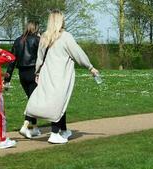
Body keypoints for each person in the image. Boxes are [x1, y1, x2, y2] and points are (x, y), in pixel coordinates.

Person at [25, 10, 100, 144]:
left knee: (53, 100)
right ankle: (54, 134)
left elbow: (39, 58)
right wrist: (90, 67)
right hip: (60, 74)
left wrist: (37, 72)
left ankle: (63, 130)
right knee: (58, 102)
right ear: (60, 21)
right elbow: (78, 54)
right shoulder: (66, 37)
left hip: (47, 74)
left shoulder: (44, 36)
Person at [4, 21, 41, 139]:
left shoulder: (17, 40)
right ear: (36, 28)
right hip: (33, 72)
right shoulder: (37, 40)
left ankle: (34, 128)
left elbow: (12, 60)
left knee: (32, 99)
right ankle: (25, 126)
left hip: (22, 74)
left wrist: (7, 79)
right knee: (33, 101)